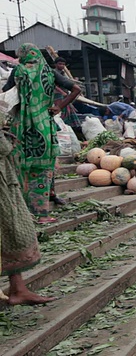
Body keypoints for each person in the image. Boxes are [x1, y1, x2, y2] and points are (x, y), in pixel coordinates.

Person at [2, 43, 81, 224]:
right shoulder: (49, 72)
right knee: (43, 168)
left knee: (21, 168)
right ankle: (42, 214)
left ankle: (23, 214)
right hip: (44, 126)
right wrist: (59, 106)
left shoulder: (18, 71)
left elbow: (5, 94)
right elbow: (76, 89)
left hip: (21, 127)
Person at [1, 112, 57, 305]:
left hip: (5, 179)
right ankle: (18, 289)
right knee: (14, 230)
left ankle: (18, 289)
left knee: (11, 231)